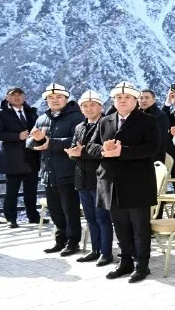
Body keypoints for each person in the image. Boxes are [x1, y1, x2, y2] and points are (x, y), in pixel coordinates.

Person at [87, 81, 160, 283]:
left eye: (127, 97)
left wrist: (123, 152)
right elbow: (90, 146)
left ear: (135, 100)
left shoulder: (148, 120)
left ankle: (142, 265)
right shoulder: (105, 121)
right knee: (120, 226)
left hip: (136, 182)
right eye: (119, 98)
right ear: (113, 101)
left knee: (140, 227)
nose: (122, 101)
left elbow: (153, 148)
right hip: (111, 182)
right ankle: (125, 261)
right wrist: (103, 150)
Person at [28, 84, 85, 256]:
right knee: (55, 210)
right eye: (51, 98)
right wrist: (38, 141)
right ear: (46, 100)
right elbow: (29, 141)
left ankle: (73, 242)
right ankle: (60, 241)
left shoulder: (76, 117)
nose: (55, 100)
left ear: (66, 99)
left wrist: (51, 143)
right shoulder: (42, 119)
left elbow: (78, 140)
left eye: (59, 97)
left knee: (70, 210)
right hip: (49, 172)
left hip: (68, 171)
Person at [65, 91, 113, 266]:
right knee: (90, 218)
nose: (89, 108)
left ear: (101, 106)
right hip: (82, 178)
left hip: (100, 178)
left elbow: (105, 151)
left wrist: (81, 152)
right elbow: (74, 149)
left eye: (92, 105)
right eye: (85, 105)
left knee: (103, 218)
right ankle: (95, 249)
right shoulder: (79, 127)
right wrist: (72, 153)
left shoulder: (107, 124)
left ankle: (106, 253)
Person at [0, 87, 40, 227]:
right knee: (12, 191)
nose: (17, 97)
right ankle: (11, 219)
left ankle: (33, 217)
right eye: (13, 95)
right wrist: (17, 136)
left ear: (24, 97)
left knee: (31, 191)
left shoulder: (31, 112)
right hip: (12, 159)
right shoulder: (0, 114)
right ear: (7, 98)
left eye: (19, 95)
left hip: (31, 157)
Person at [138, 89, 169, 164]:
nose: (143, 100)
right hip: (137, 157)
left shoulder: (160, 115)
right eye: (141, 98)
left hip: (154, 159)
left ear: (154, 100)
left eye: (147, 98)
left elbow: (159, 140)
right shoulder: (136, 114)